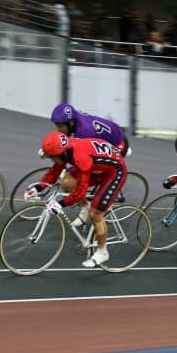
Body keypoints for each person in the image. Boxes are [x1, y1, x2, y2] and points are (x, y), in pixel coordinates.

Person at [25, 131, 128, 268]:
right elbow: (54, 171)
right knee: (67, 182)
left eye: (52, 158)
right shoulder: (66, 150)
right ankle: (85, 208)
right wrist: (37, 188)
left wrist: (61, 204)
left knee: (95, 213)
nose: (52, 160)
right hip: (97, 167)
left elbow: (80, 192)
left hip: (115, 172)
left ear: (61, 154)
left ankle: (102, 252)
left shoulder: (79, 156)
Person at [49, 102, 129, 157]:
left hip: (118, 144)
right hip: (111, 134)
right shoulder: (75, 117)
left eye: (60, 126)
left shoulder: (83, 131)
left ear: (71, 123)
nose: (58, 130)